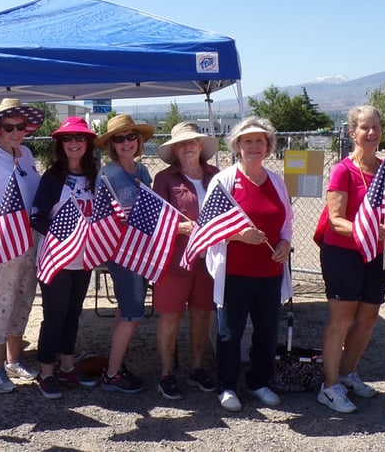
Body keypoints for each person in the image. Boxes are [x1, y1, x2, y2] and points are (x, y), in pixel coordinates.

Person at [205, 116, 293, 412]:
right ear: (237, 146)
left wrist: (284, 244)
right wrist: (238, 235)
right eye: (247, 141)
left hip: (269, 272)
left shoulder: (277, 182)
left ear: (268, 146)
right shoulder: (224, 181)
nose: (254, 146)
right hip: (234, 273)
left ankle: (259, 382)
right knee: (229, 332)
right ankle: (227, 386)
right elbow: (208, 226)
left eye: (260, 140)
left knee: (267, 331)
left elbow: (287, 223)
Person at [316, 106, 385, 413]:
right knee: (342, 317)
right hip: (343, 252)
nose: (371, 133)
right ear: (352, 133)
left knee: (368, 318)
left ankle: (348, 374)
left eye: (376, 127)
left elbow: (384, 213)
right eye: (365, 128)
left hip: (373, 254)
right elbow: (336, 219)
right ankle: (330, 386)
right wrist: (367, 230)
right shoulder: (343, 170)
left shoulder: (384, 168)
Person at [0, 98, 44, 393]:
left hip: (31, 237)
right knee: (3, 301)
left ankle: (15, 359)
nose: (16, 131)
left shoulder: (26, 154)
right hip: (5, 238)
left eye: (20, 126)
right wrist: (5, 215)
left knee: (25, 297)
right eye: (9, 126)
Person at [30, 117, 100, 399]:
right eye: (68, 138)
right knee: (54, 315)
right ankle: (46, 371)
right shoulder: (52, 178)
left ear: (88, 144)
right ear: (60, 144)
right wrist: (64, 236)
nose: (74, 143)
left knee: (74, 312)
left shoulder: (95, 175)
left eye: (80, 138)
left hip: (84, 257)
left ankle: (67, 364)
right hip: (57, 258)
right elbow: (36, 216)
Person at [151, 121, 220, 400]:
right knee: (170, 316)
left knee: (203, 314)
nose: (188, 147)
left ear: (201, 145)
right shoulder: (165, 180)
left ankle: (197, 368)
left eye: (192, 142)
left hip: (209, 259)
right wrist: (181, 228)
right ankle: (167, 373)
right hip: (175, 260)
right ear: (175, 150)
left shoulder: (216, 175)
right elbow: (155, 220)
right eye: (182, 143)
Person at [93, 113, 155, 394]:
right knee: (132, 312)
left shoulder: (141, 172)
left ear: (138, 140)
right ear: (112, 145)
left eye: (131, 136)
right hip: (122, 252)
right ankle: (113, 374)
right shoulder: (107, 175)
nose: (127, 142)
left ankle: (114, 368)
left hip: (140, 250)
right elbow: (101, 218)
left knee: (126, 310)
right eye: (120, 138)